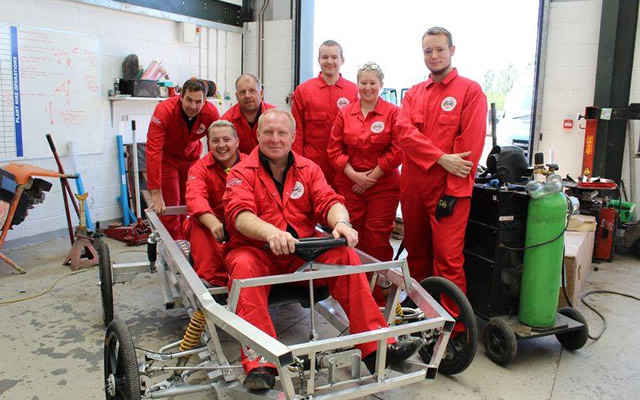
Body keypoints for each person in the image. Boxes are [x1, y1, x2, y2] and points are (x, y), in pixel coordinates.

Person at [223, 109, 420, 390]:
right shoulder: (241, 172)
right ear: (257, 135)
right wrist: (272, 233)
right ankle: (261, 363)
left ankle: (377, 346)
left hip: (302, 252)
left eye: (282, 133)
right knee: (243, 267)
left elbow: (329, 200)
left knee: (345, 255)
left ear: (293, 137)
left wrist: (341, 222)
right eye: (268, 132)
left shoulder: (308, 169)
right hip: (258, 251)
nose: (275, 139)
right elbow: (238, 214)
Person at [397, 27, 487, 312]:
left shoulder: (470, 92)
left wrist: (452, 191)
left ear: (452, 50)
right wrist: (440, 157)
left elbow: (467, 152)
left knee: (448, 260)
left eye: (439, 49)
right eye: (428, 51)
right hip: (413, 188)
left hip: (447, 191)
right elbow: (403, 132)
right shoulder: (413, 94)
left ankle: (453, 328)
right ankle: (419, 315)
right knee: (417, 255)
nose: (434, 56)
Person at [327, 61, 402, 302]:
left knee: (378, 238)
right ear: (357, 84)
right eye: (363, 83)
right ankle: (354, 293)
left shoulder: (393, 113)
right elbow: (334, 148)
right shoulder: (345, 113)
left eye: (372, 83)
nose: (367, 87)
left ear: (381, 84)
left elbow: (398, 148)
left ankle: (380, 296)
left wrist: (372, 177)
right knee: (350, 236)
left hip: (384, 186)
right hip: (349, 185)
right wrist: (355, 176)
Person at [146, 78, 221, 239]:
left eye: (198, 102)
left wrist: (217, 181)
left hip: (192, 159)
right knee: (170, 207)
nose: (193, 106)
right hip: (167, 159)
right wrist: (155, 192)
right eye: (189, 100)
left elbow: (217, 149)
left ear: (205, 101)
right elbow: (153, 150)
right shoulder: (164, 111)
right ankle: (174, 251)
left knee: (192, 204)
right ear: (180, 97)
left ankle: (190, 243)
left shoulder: (211, 113)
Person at [183, 120, 245, 287]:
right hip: (212, 223)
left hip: (245, 221)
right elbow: (195, 198)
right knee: (197, 224)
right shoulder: (198, 169)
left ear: (237, 142)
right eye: (215, 141)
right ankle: (213, 283)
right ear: (208, 144)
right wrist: (214, 224)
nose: (221, 145)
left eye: (226, 140)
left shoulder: (252, 165)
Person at [291, 40, 358, 187]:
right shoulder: (303, 91)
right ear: (318, 60)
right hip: (313, 166)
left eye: (334, 57)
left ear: (342, 60)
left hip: (345, 167)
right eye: (325, 57)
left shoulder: (354, 91)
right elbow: (296, 131)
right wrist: (298, 164)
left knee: (343, 208)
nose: (329, 61)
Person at [220, 74, 276, 155]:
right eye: (242, 92)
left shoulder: (276, 117)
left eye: (252, 91)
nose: (247, 95)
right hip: (239, 166)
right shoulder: (227, 121)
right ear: (236, 96)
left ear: (261, 93)